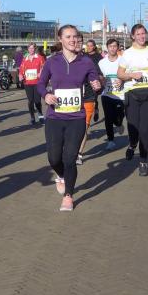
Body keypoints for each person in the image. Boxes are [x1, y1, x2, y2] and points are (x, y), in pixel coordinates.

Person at [37, 25, 101, 211]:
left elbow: (96, 84)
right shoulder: (52, 61)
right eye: (68, 36)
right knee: (54, 158)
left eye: (75, 36)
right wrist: (46, 95)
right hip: (55, 117)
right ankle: (61, 175)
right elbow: (40, 84)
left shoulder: (86, 62)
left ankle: (68, 196)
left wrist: (98, 86)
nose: (73, 40)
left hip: (76, 117)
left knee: (70, 158)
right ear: (60, 39)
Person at [117, 24, 148, 177]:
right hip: (132, 94)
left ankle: (143, 161)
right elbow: (120, 74)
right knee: (133, 128)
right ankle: (132, 144)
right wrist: (131, 75)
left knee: (144, 130)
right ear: (133, 36)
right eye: (138, 34)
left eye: (143, 33)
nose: (141, 36)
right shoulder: (127, 54)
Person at [77, 35, 104, 164]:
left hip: (88, 96)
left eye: (79, 42)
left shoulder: (91, 60)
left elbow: (99, 75)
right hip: (73, 98)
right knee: (73, 127)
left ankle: (79, 154)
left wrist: (98, 82)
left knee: (84, 127)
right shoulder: (66, 59)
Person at [98, 38, 125, 150]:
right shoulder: (102, 62)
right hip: (107, 94)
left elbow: (128, 74)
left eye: (114, 46)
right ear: (107, 48)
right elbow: (99, 75)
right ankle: (110, 140)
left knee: (118, 118)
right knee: (108, 118)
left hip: (120, 95)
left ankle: (119, 124)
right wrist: (101, 80)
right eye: (110, 46)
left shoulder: (123, 60)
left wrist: (122, 79)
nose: (112, 48)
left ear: (117, 47)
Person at [18, 43, 45, 125]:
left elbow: (44, 67)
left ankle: (40, 116)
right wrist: (20, 75)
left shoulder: (40, 58)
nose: (31, 50)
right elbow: (21, 69)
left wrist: (41, 73)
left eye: (32, 48)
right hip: (27, 83)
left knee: (37, 101)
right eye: (29, 48)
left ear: (35, 49)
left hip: (37, 82)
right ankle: (32, 118)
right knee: (30, 101)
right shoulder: (25, 59)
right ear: (28, 49)